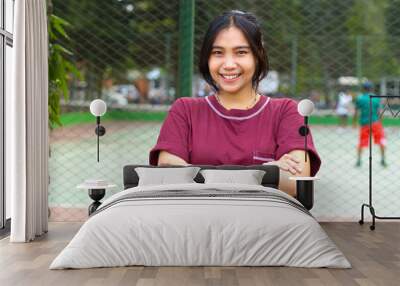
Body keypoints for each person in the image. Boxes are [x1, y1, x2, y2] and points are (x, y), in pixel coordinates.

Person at [149, 10, 321, 197]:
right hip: (197, 221)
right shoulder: (184, 110)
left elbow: (296, 182)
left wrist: (196, 174)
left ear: (258, 55)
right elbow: (169, 178)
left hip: (266, 222)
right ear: (207, 57)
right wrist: (264, 171)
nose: (229, 64)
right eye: (218, 53)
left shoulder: (287, 111)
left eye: (241, 52)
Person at [353, 81, 387, 167]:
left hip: (364, 123)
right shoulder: (376, 98)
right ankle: (383, 159)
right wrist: (381, 124)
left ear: (363, 89)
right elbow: (379, 112)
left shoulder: (360, 98)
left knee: (362, 142)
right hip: (375, 123)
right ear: (371, 88)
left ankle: (359, 160)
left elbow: (356, 112)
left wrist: (354, 122)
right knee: (381, 141)